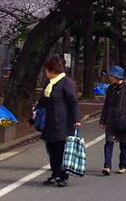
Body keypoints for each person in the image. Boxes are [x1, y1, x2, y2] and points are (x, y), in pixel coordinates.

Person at [34, 56, 81, 187]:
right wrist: (34, 115)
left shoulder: (66, 83)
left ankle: (63, 176)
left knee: (61, 150)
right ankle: (55, 174)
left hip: (63, 122)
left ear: (51, 70)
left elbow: (73, 102)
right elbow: (42, 100)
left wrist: (77, 119)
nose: (45, 73)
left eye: (46, 70)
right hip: (49, 121)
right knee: (52, 149)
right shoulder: (49, 83)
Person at [99, 65, 126, 175]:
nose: (110, 78)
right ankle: (107, 166)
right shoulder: (110, 89)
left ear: (117, 76)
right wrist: (102, 120)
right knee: (109, 142)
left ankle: (123, 165)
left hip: (125, 120)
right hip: (111, 119)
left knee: (124, 143)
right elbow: (106, 105)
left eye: (112, 76)